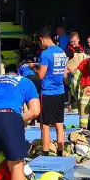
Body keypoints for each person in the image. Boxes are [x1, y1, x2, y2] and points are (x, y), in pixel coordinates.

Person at [35, 29, 70, 157]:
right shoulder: (61, 52)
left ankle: (45, 153)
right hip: (60, 91)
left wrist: (34, 68)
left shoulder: (45, 54)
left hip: (48, 93)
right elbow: (65, 74)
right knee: (59, 123)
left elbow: (41, 75)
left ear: (42, 39)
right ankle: (60, 151)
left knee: (44, 125)